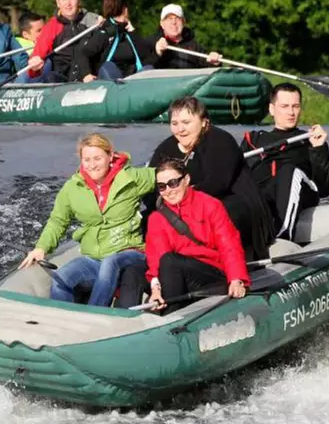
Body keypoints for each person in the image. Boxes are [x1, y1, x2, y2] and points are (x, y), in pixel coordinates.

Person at [18, 133, 155, 307]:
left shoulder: (132, 178)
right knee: (62, 279)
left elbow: (167, 176)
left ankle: (94, 312)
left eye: (97, 158)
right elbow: (58, 221)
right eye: (87, 160)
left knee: (110, 261)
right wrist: (41, 247)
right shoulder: (72, 188)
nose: (92, 165)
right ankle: (63, 318)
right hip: (93, 257)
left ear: (110, 156)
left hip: (129, 252)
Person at [146, 96, 274, 261]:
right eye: (174, 123)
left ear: (204, 122)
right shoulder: (165, 149)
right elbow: (151, 184)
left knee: (217, 212)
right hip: (179, 206)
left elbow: (218, 183)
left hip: (232, 202)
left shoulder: (220, 141)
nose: (180, 129)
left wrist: (181, 197)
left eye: (186, 122)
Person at [144, 159, 250, 314]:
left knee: (170, 261)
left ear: (186, 179)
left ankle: (169, 316)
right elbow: (157, 257)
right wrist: (155, 289)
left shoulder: (210, 205)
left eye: (173, 183)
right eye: (162, 186)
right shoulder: (156, 218)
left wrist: (236, 279)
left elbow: (228, 243)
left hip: (212, 271)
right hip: (178, 273)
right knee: (160, 264)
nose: (168, 191)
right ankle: (166, 313)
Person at [241, 83, 329, 240]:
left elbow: (324, 188)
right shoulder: (254, 139)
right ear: (272, 109)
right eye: (284, 106)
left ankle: (283, 235)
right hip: (263, 195)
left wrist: (319, 148)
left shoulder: (310, 140)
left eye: (295, 106)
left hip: (298, 188)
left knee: (288, 171)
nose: (291, 112)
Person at [70, 0, 157, 82]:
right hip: (111, 81)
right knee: (108, 68)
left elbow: (145, 55)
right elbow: (83, 53)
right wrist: (86, 74)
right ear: (125, 10)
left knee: (148, 69)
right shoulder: (105, 32)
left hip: (131, 79)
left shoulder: (129, 33)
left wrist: (132, 32)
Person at [26, 0, 102, 83]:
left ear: (79, 0)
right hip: (63, 80)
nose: (68, 4)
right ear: (58, 2)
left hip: (91, 77)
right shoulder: (51, 27)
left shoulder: (95, 20)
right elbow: (33, 69)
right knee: (50, 77)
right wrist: (34, 66)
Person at [149, 4, 221, 69]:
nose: (174, 22)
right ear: (162, 23)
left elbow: (208, 68)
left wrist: (214, 62)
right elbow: (146, 67)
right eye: (169, 18)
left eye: (177, 18)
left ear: (183, 22)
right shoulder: (150, 43)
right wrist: (157, 53)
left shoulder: (194, 46)